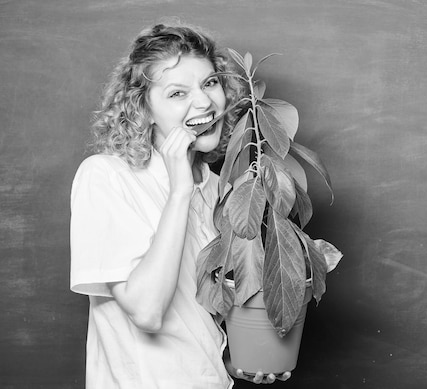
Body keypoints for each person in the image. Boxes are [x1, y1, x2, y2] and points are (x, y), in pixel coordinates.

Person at [70, 22, 290, 388]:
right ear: (142, 108)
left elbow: (200, 317)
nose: (204, 102)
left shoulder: (225, 190)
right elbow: (147, 311)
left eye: (210, 83)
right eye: (176, 93)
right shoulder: (106, 177)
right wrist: (179, 192)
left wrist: (238, 360)